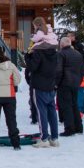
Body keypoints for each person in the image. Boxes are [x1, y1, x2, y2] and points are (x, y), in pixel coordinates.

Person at [25, 17, 60, 148]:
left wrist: (28, 57)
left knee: (41, 112)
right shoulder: (53, 50)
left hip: (39, 84)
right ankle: (55, 138)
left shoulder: (38, 51)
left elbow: (33, 67)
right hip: (51, 84)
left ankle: (44, 138)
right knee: (52, 111)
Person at [57, 37, 84, 136]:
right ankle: (78, 127)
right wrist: (79, 81)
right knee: (74, 105)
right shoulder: (78, 54)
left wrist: (56, 83)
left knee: (66, 106)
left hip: (64, 83)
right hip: (75, 83)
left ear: (62, 44)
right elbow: (81, 70)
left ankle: (69, 128)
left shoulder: (61, 54)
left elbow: (59, 70)